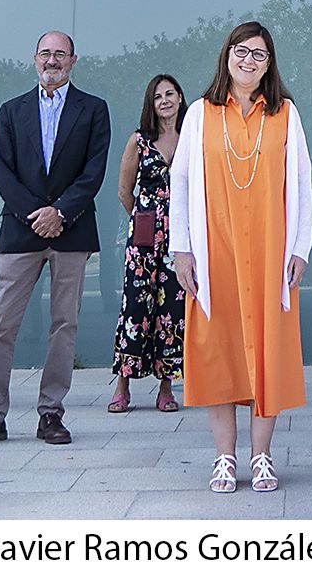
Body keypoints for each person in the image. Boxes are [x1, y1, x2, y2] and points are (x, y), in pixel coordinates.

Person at [170, 22, 312, 492]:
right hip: (216, 252)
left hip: (270, 252)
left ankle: (263, 457)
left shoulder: (286, 114)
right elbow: (182, 183)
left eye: (259, 54)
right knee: (220, 353)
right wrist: (182, 249)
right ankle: (225, 459)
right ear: (226, 55)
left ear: (269, 64)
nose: (248, 60)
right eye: (241, 50)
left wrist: (300, 249)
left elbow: (302, 184)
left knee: (267, 353)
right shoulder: (199, 113)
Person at [0, 30, 111, 449]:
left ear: (74, 60)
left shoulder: (94, 110)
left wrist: (60, 212)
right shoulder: (10, 111)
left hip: (72, 229)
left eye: (60, 53)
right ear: (34, 58)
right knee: (0, 325)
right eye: (45, 53)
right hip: (20, 231)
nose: (52, 59)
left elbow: (93, 172)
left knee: (65, 326)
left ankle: (51, 414)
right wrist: (37, 215)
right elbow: (3, 173)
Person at [109, 74, 186, 414]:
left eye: (170, 93)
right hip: (143, 240)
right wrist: (145, 218)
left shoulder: (193, 138)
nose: (165, 100)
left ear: (181, 98)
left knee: (173, 311)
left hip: (182, 238)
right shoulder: (139, 140)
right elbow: (124, 190)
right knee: (136, 309)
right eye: (158, 96)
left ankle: (166, 388)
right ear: (151, 104)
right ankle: (123, 384)